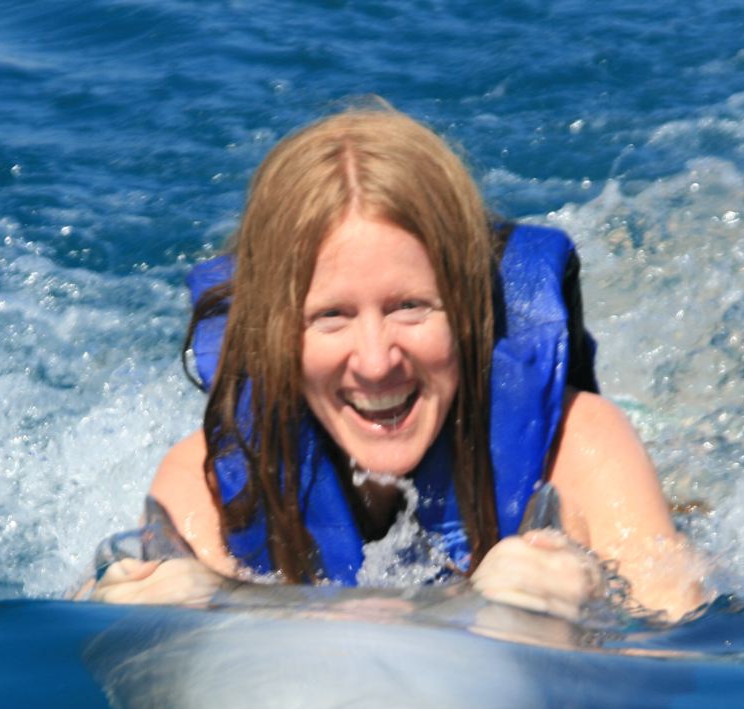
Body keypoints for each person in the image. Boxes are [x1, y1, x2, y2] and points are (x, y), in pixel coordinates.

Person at [93, 104, 708, 621]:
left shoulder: (583, 450)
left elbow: (685, 660)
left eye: (411, 307)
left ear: (468, 309)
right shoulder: (210, 479)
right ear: (275, 331)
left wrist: (596, 613)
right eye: (330, 315)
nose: (375, 360)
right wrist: (152, 621)